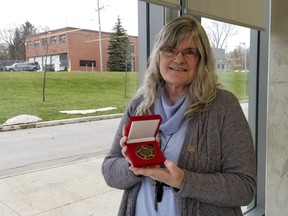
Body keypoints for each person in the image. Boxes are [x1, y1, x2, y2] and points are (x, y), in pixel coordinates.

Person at [101, 15, 256, 216]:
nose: (178, 58)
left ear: (202, 60)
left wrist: (184, 181)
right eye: (170, 50)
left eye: (189, 52)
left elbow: (244, 188)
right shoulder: (140, 105)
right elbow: (110, 170)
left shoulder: (223, 106)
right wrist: (133, 164)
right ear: (158, 55)